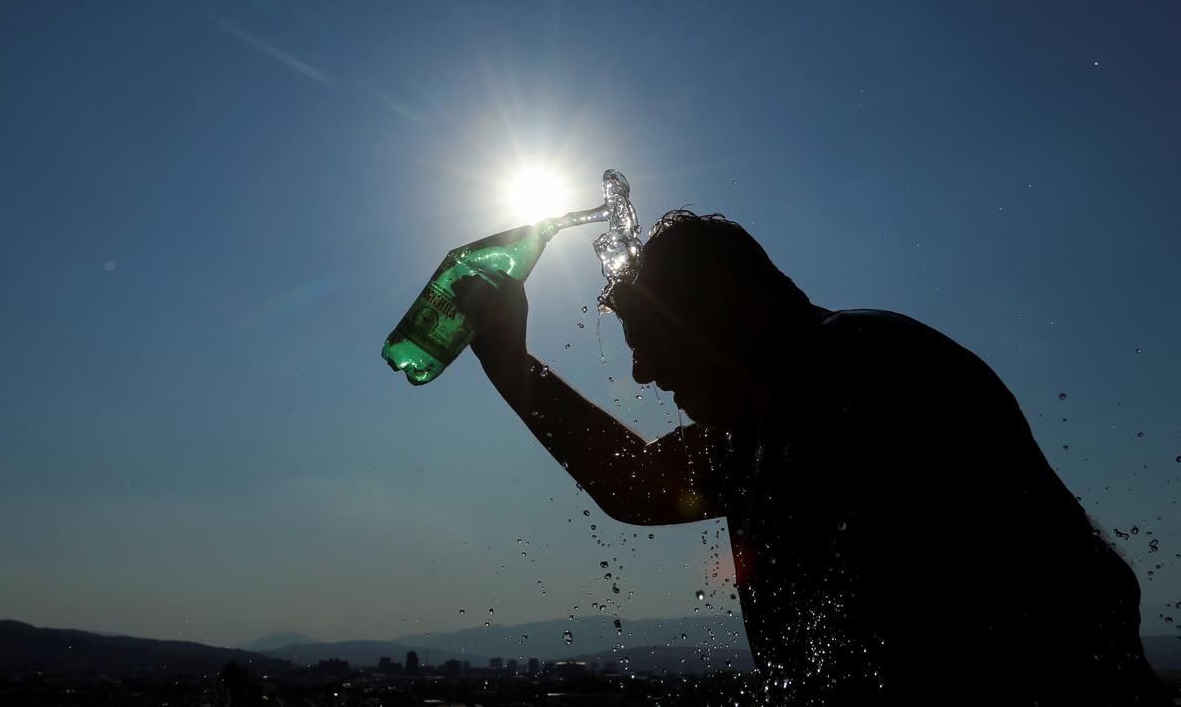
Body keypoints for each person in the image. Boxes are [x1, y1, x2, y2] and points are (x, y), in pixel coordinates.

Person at [452, 209, 1168, 706]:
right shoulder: (771, 413)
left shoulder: (860, 372)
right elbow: (644, 485)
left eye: (650, 337)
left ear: (722, 297)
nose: (642, 373)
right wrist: (511, 364)